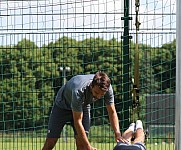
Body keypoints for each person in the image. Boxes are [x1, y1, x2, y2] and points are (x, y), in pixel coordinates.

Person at [42, 71, 126, 150]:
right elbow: (77, 121)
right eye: (96, 93)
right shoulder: (79, 91)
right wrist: (88, 146)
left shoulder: (107, 88)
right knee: (51, 142)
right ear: (91, 86)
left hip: (83, 106)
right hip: (62, 106)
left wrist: (117, 134)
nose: (98, 96)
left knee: (81, 145)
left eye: (102, 94)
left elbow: (112, 112)